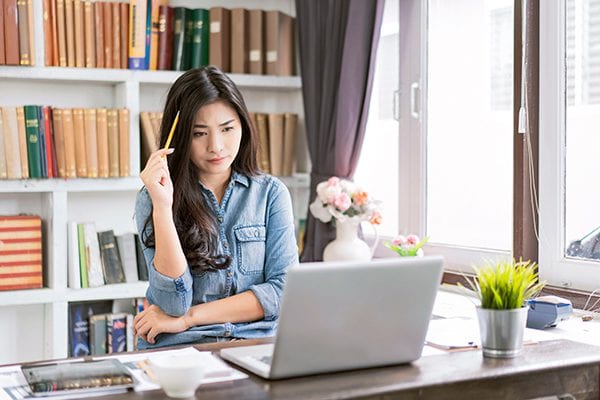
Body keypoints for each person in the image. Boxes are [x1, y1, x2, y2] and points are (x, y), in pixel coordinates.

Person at [133, 66, 299, 349]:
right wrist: (163, 206)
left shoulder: (271, 194)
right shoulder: (153, 197)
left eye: (227, 129)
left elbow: (284, 291)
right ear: (180, 137)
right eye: (199, 133)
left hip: (254, 343)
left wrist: (190, 318)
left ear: (243, 126)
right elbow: (173, 304)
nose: (216, 146)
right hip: (183, 347)